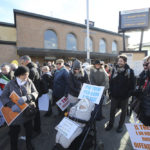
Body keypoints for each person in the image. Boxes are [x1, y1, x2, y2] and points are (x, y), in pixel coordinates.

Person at [0, 66, 38, 150]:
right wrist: (11, 105)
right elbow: (3, 96)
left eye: (27, 75)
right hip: (15, 112)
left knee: (29, 130)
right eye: (24, 75)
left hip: (27, 110)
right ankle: (14, 147)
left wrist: (28, 97)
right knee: (14, 132)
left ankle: (29, 144)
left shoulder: (29, 81)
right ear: (18, 75)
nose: (26, 77)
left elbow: (35, 92)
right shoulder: (10, 83)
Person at [105, 55, 135, 133]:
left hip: (124, 97)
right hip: (114, 96)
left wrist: (128, 94)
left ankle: (120, 126)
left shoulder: (130, 71)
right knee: (112, 111)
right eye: (119, 61)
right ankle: (110, 124)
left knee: (123, 112)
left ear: (125, 62)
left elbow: (133, 85)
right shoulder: (114, 70)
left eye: (121, 61)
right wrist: (110, 92)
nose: (119, 62)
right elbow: (111, 82)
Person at [20, 55, 41, 136]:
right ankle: (36, 129)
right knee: (35, 113)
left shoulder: (30, 70)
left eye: (22, 63)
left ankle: (35, 130)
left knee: (34, 113)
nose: (21, 64)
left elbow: (28, 84)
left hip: (32, 95)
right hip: (34, 94)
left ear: (26, 61)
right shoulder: (34, 68)